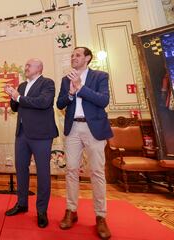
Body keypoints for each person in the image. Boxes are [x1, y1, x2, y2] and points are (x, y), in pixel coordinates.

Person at [56, 47, 113, 239]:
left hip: (93, 128)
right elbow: (60, 104)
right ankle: (71, 210)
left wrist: (81, 87)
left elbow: (103, 100)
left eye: (78, 55)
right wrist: (71, 93)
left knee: (96, 171)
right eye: (72, 55)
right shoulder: (66, 79)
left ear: (87, 58)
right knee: (71, 170)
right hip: (73, 129)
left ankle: (100, 216)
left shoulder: (100, 76)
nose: (74, 58)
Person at [4, 58, 58, 228]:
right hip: (22, 134)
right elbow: (15, 108)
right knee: (21, 169)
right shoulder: (21, 85)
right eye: (25, 64)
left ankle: (41, 210)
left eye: (29, 65)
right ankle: (22, 203)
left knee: (43, 172)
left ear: (39, 68)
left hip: (41, 135)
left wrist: (18, 97)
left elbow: (44, 103)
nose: (25, 67)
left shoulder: (47, 83)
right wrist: (13, 96)